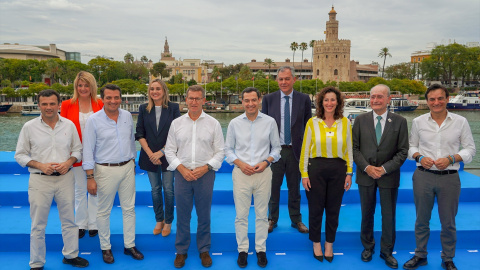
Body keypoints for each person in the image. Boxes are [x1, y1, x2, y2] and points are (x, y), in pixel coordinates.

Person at [403, 84, 475, 270]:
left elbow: (470, 149)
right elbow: (411, 148)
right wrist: (420, 157)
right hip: (423, 176)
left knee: (448, 222)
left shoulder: (461, 122)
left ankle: (448, 258)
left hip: (450, 177)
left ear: (447, 99)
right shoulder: (418, 122)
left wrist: (452, 158)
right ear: (427, 102)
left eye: (440, 98)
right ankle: (420, 255)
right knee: (421, 220)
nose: (436, 102)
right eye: (432, 99)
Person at [15, 89, 89, 270]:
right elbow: (20, 155)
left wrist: (69, 162)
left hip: (65, 178)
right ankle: (37, 263)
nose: (49, 107)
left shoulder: (69, 125)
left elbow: (78, 151)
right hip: (39, 180)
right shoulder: (29, 127)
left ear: (58, 105)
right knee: (38, 224)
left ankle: (71, 255)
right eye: (45, 104)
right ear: (39, 105)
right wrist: (40, 165)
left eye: (52, 104)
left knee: (69, 221)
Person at [82, 84, 143, 264]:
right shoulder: (93, 120)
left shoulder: (126, 116)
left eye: (116, 97)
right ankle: (105, 247)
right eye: (109, 98)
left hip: (127, 168)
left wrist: (133, 161)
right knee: (103, 211)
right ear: (103, 99)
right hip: (104, 170)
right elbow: (87, 150)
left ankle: (129, 245)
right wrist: (90, 177)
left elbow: (131, 141)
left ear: (121, 99)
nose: (113, 101)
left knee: (129, 209)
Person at [165, 85, 225, 268]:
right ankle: (181, 251)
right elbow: (169, 150)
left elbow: (220, 152)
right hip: (182, 174)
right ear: (186, 100)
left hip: (205, 175)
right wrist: (181, 169)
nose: (193, 102)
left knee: (203, 214)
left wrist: (206, 168)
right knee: (183, 215)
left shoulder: (213, 124)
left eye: (197, 98)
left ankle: (204, 249)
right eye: (190, 98)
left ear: (203, 101)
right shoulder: (176, 124)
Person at [352, 84, 409, 269]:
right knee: (366, 213)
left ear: (388, 99)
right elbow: (354, 148)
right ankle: (367, 247)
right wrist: (367, 167)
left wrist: (384, 169)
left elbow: (402, 151)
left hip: (389, 176)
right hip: (365, 175)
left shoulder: (400, 121)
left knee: (388, 215)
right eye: (373, 96)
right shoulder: (360, 120)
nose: (375, 100)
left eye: (380, 97)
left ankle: (387, 251)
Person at [225, 87, 281, 268]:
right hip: (241, 174)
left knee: (262, 215)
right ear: (242, 102)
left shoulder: (270, 122)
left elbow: (276, 149)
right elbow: (228, 150)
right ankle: (242, 250)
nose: (250, 104)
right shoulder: (234, 123)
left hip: (263, 173)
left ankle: (260, 250)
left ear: (259, 100)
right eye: (246, 100)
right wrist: (240, 164)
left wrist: (266, 162)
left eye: (253, 100)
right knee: (241, 215)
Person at [299, 86, 353, 263]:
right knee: (315, 209)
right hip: (316, 169)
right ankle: (316, 242)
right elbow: (305, 150)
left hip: (338, 169)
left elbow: (349, 150)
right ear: (321, 103)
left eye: (332, 100)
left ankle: (329, 243)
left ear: (338, 102)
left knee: (333, 210)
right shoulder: (312, 122)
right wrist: (304, 174)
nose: (329, 103)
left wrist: (349, 172)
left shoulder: (345, 123)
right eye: (326, 100)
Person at [261, 66, 312, 234]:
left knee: (294, 189)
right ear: (277, 80)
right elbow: (264, 127)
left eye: (287, 79)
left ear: (294, 80)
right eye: (280, 79)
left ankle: (296, 219)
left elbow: (308, 126)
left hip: (296, 151)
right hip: (275, 152)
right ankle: (271, 219)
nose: (283, 82)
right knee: (273, 188)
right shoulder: (268, 99)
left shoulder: (304, 99)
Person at [60, 71, 103, 239]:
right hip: (76, 154)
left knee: (95, 189)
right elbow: (62, 130)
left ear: (92, 86)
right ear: (75, 87)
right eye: (80, 85)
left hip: (98, 154)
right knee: (79, 190)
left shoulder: (100, 103)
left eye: (86, 85)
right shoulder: (66, 105)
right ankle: (80, 224)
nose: (83, 88)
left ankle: (93, 223)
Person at [135, 79, 180, 237]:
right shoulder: (143, 109)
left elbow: (177, 135)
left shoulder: (173, 108)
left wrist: (161, 152)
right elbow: (139, 133)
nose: (155, 91)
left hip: (168, 156)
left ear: (164, 90)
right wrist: (150, 154)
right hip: (149, 156)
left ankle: (168, 221)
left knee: (168, 189)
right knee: (155, 190)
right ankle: (159, 220)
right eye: (152, 89)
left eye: (158, 88)